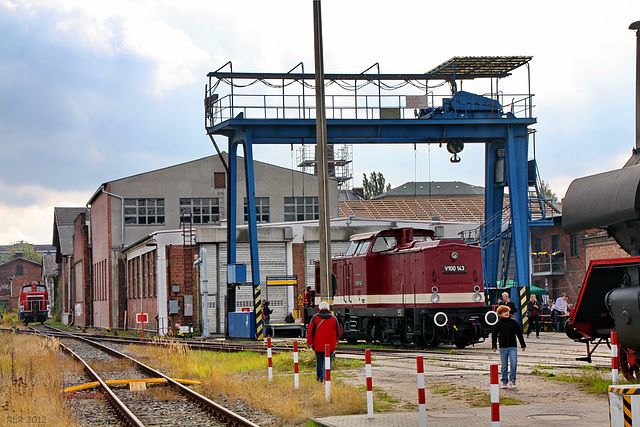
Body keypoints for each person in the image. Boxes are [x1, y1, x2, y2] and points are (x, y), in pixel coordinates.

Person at [492, 304, 526, 388]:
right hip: (503, 347)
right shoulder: (499, 324)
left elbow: (519, 333)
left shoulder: (513, 322)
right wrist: (494, 345)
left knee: (514, 363)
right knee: (504, 365)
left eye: (507, 311)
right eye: (504, 312)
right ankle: (504, 381)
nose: (506, 313)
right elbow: (494, 335)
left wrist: (522, 344)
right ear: (500, 314)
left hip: (512, 346)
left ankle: (513, 380)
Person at [307, 301, 341, 382]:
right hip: (330, 346)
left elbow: (310, 331)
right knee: (328, 363)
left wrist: (310, 342)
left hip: (318, 345)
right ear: (328, 308)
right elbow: (338, 332)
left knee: (319, 362)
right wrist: (336, 340)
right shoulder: (334, 318)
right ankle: (327, 379)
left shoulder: (315, 318)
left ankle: (319, 378)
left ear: (319, 308)